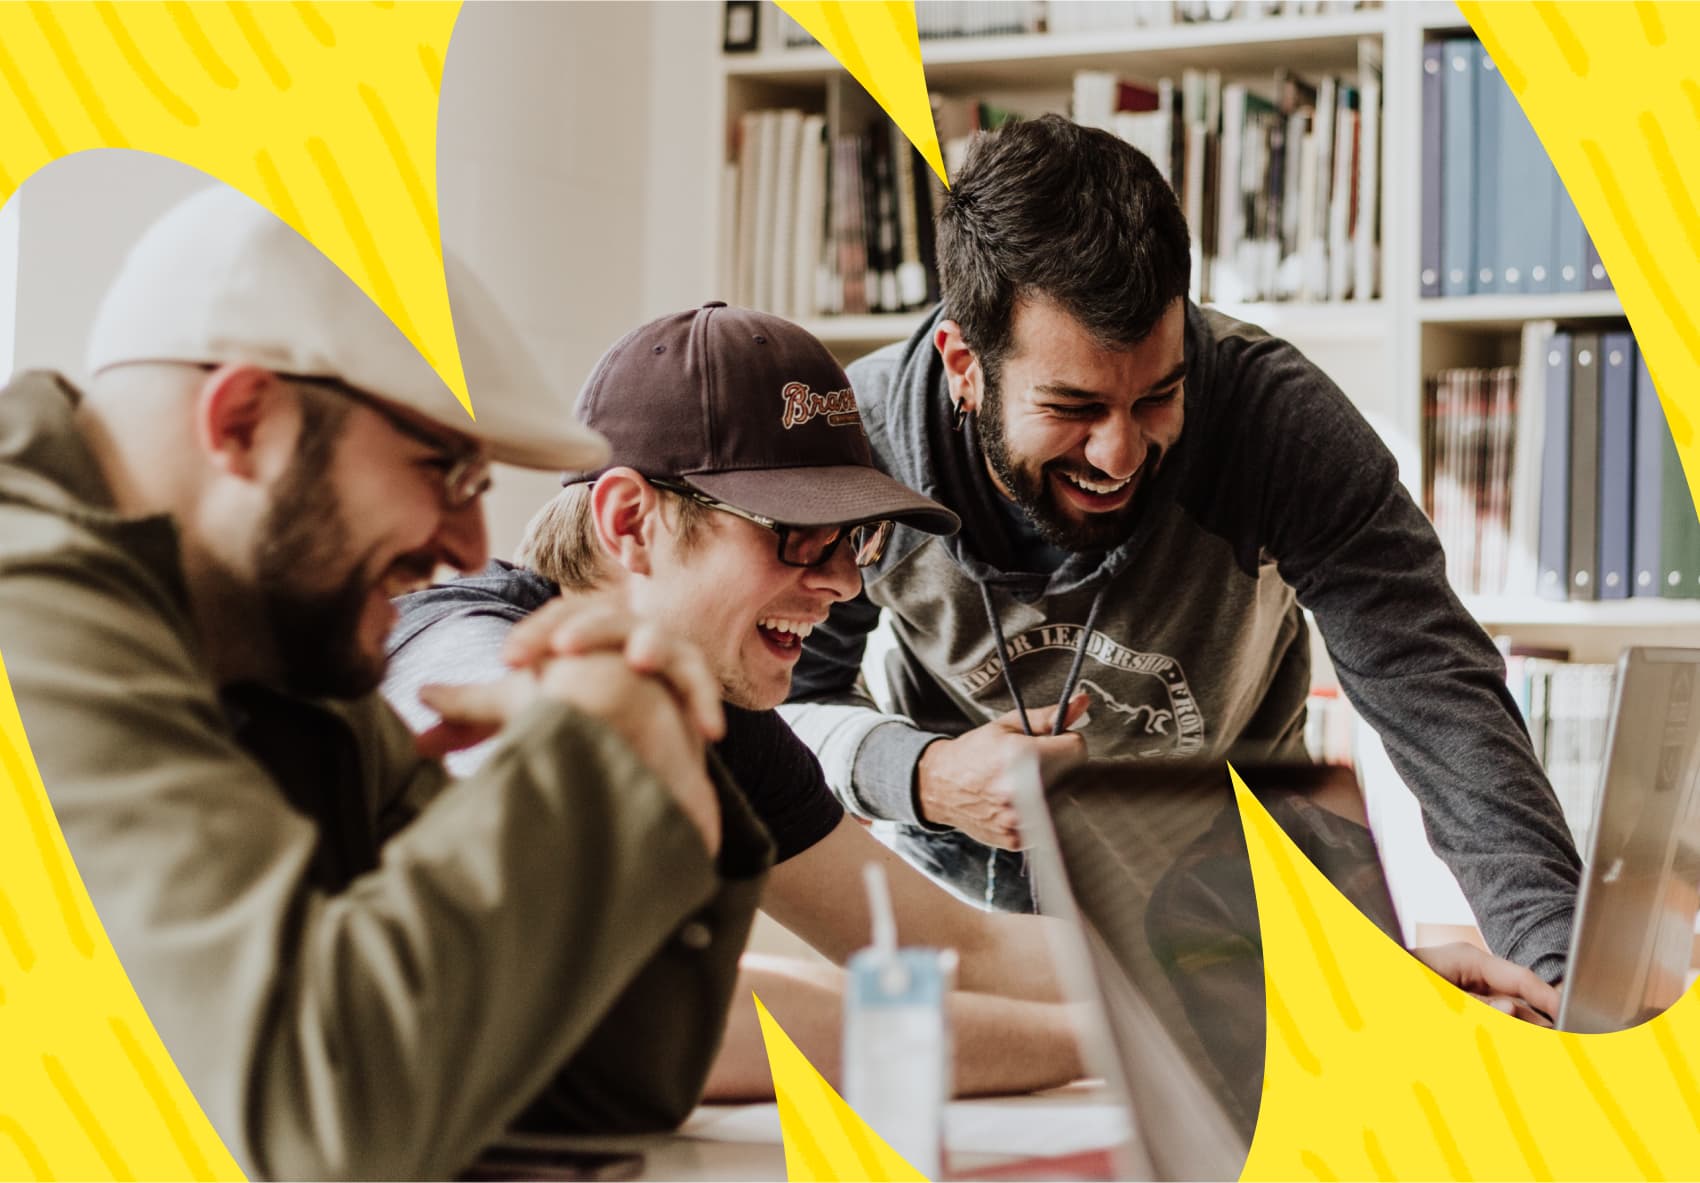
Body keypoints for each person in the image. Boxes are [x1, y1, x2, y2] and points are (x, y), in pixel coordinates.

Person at [0, 183, 773, 1180]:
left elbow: (586, 1087)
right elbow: (315, 1123)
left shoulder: (274, 637)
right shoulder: (28, 600)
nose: (469, 546)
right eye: (443, 471)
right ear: (243, 422)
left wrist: (658, 758)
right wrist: (594, 754)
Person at [783, 114, 1582, 985]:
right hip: (969, 918)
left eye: (1158, 396)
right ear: (963, 364)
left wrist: (1560, 971)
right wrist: (924, 775)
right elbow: (782, 708)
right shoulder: (859, 450)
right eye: (1074, 408)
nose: (1119, 454)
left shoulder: (1277, 422)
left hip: (1232, 903)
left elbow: (1438, 693)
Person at [384, 303, 1091, 1100]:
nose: (845, 582)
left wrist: (1191, 978)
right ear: (629, 522)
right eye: (799, 533)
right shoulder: (463, 656)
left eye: (855, 538)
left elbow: (955, 948)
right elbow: (635, 1010)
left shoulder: (713, 709)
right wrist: (1105, 1042)